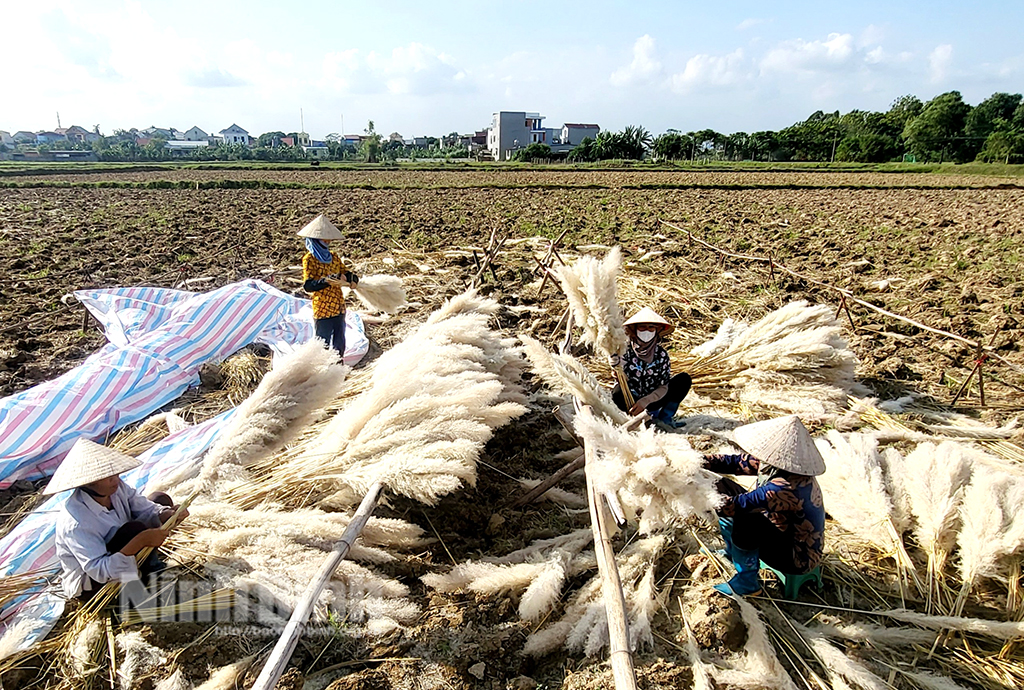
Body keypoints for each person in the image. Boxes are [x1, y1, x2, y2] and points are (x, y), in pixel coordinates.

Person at [49, 439, 189, 601]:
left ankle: (147, 563)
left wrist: (167, 514)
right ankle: (147, 578)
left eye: (115, 473)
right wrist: (140, 541)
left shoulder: (116, 488)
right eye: (107, 477)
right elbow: (99, 571)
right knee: (133, 531)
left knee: (160, 499)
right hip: (97, 585)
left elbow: (145, 507)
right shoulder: (76, 523)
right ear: (89, 483)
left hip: (122, 546)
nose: (115, 480)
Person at [702, 415, 826, 596]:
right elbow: (735, 463)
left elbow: (734, 506)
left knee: (745, 519)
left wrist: (697, 495)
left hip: (795, 556)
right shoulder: (774, 465)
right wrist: (694, 461)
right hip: (779, 532)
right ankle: (732, 551)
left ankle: (748, 581)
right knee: (724, 485)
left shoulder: (787, 486)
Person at [610, 307, 691, 427]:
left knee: (683, 380)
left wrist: (646, 401)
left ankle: (664, 418)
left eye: (651, 327)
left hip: (654, 400)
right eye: (642, 327)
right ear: (635, 330)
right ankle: (632, 417)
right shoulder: (624, 351)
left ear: (656, 330)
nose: (647, 331)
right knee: (617, 392)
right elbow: (622, 377)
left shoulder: (661, 355)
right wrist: (616, 369)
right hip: (632, 400)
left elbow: (663, 386)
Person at [299, 214, 359, 357]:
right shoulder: (310, 259)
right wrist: (326, 281)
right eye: (326, 239)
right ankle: (322, 374)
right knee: (323, 345)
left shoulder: (333, 256)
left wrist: (352, 279)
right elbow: (308, 286)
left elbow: (345, 272)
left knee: (339, 344)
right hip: (323, 309)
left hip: (338, 306)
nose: (329, 241)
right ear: (317, 240)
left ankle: (338, 370)